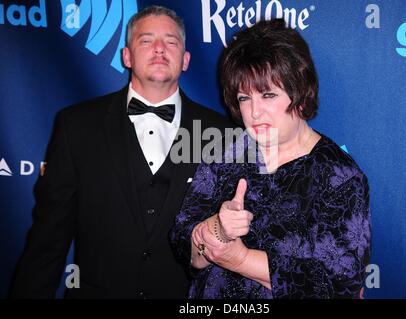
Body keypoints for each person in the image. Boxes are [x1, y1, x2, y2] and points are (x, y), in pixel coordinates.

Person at [10, 5, 230, 299]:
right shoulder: (76, 126)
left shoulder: (222, 133)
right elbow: (48, 239)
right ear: (126, 55)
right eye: (146, 40)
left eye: (171, 41)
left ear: (185, 60)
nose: (159, 49)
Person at [170, 19, 371, 299]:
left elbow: (340, 284)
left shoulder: (340, 177)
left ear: (300, 93)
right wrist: (217, 228)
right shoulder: (223, 155)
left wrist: (239, 259)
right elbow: (186, 249)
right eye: (244, 98)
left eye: (268, 95)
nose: (253, 112)